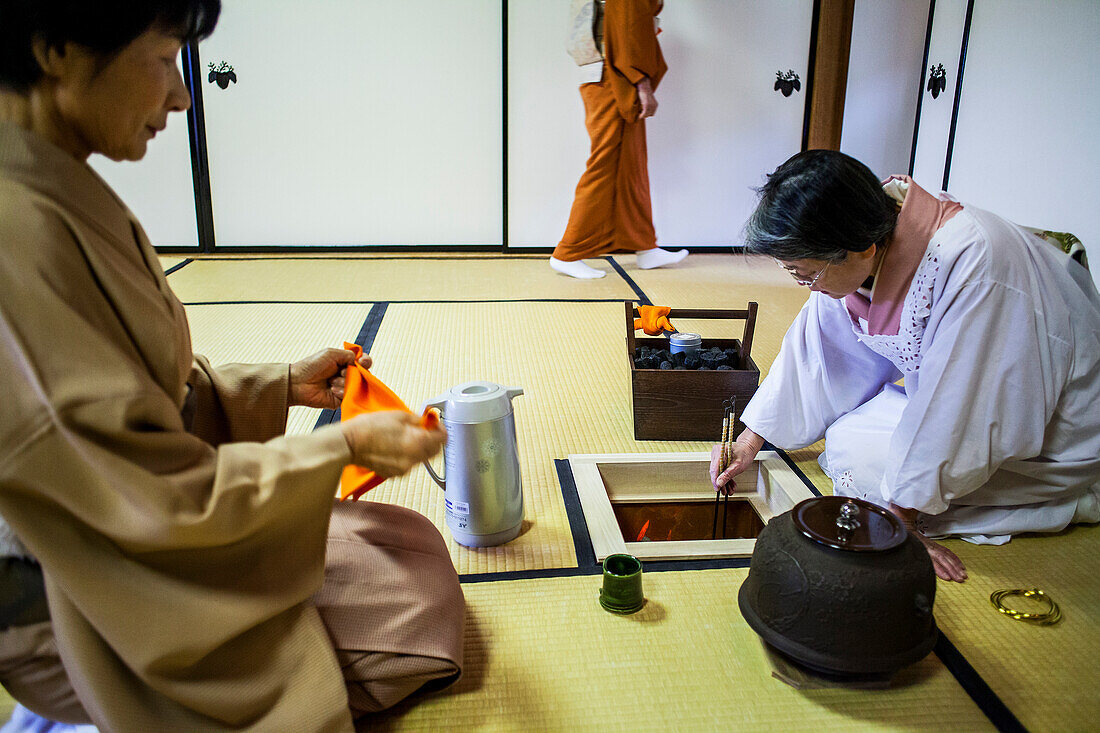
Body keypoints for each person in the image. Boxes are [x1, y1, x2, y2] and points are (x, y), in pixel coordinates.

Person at [0, 2, 463, 729]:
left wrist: (279, 386)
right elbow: (142, 499)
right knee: (413, 625)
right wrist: (337, 446)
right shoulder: (15, 238)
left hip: (144, 529)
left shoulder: (46, 187)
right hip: (86, 592)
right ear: (55, 48)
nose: (182, 93)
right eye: (163, 58)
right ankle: (82, 710)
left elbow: (144, 401)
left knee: (412, 551)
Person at [711, 150, 1100, 582]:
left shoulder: (975, 264)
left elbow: (966, 406)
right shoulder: (866, 233)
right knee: (849, 439)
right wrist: (749, 442)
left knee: (867, 471)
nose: (803, 285)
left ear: (861, 250)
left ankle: (1073, 498)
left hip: (1055, 433)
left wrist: (903, 521)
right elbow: (818, 356)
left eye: (805, 274)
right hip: (956, 398)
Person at [551, 0, 687, 280]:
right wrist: (642, 84)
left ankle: (644, 246)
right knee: (604, 164)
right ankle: (567, 252)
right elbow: (628, 30)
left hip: (609, 73)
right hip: (613, 76)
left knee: (631, 163)